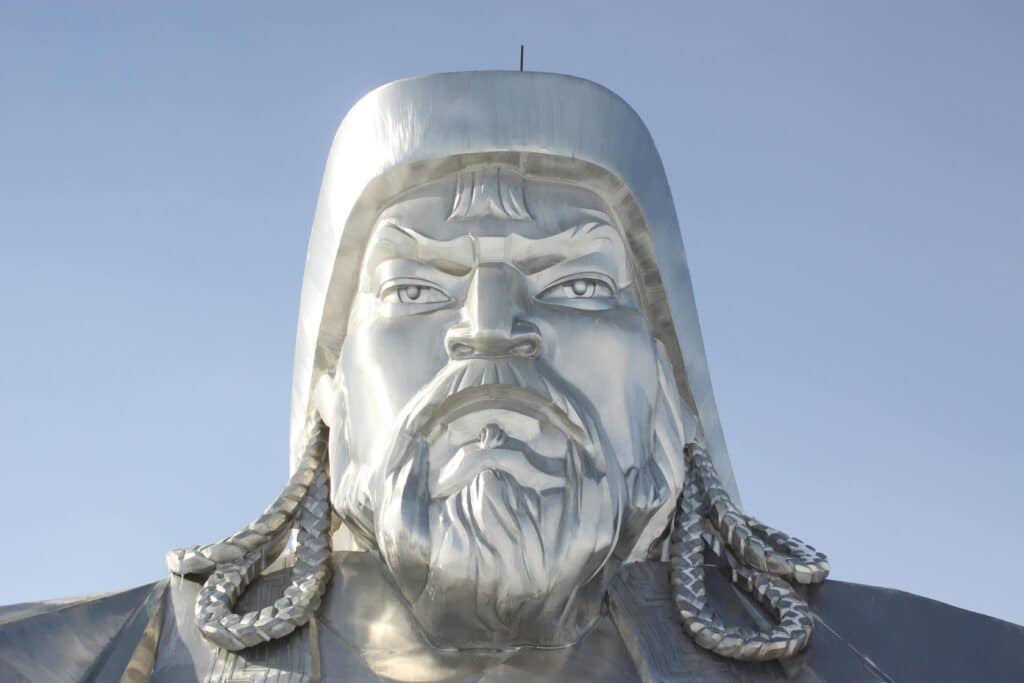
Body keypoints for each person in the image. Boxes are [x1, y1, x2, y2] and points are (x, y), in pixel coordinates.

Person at [1, 72, 1021, 683]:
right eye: (413, 289)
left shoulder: (948, 660)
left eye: (577, 283)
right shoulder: (77, 658)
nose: (488, 329)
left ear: (669, 393)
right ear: (328, 392)